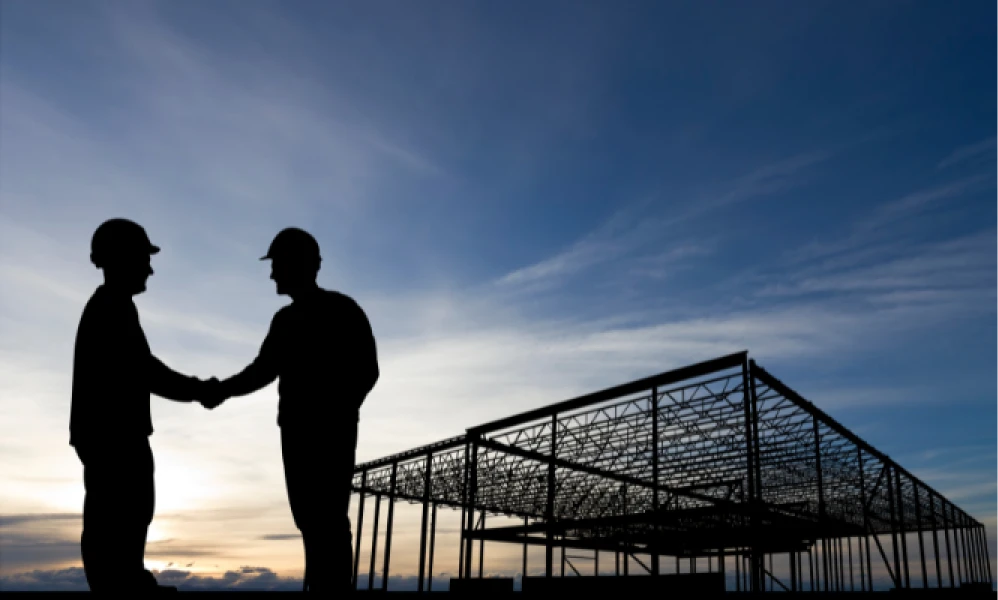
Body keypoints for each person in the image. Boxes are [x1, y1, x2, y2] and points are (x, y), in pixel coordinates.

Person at [202, 227, 379, 593]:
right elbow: (262, 371)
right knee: (310, 517)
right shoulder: (286, 320)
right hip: (298, 432)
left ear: (300, 264)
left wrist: (336, 410)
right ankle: (320, 586)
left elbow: (367, 370)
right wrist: (223, 390)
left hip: (326, 432)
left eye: (278, 264)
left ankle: (331, 591)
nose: (272, 274)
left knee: (327, 516)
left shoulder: (343, 311)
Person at [71, 218, 217, 593]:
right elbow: (147, 372)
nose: (149, 268)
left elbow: (143, 371)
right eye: (143, 258)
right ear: (120, 258)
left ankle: (127, 584)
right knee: (121, 519)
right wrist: (200, 390)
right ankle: (122, 589)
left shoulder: (112, 307)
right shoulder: (111, 309)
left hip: (111, 438)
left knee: (123, 519)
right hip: (116, 439)